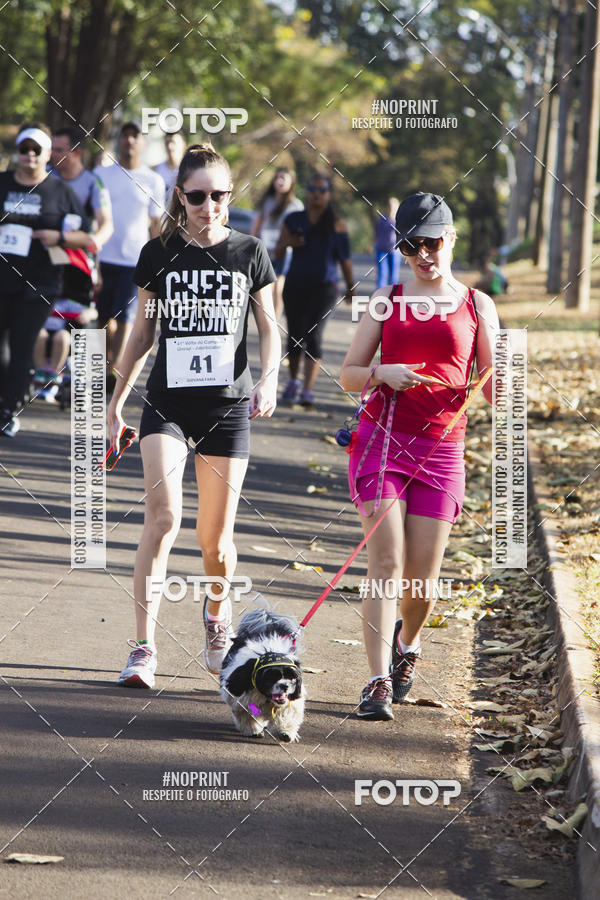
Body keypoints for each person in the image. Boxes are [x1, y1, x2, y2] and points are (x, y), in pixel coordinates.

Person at [107, 143, 280, 689]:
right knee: (162, 521)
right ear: (181, 196)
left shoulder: (249, 252)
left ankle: (215, 618)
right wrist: (115, 404)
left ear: (231, 196)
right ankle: (142, 648)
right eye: (198, 196)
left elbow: (271, 326)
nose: (209, 206)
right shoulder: (158, 254)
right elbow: (142, 333)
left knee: (216, 542)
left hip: (227, 408)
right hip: (168, 404)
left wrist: (270, 378)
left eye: (219, 196)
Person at [340, 191, 499, 721]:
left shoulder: (478, 306)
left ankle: (406, 643)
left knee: (421, 585)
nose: (423, 254)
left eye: (431, 242)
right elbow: (348, 375)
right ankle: (377, 680)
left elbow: (495, 387)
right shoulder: (386, 299)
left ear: (450, 239)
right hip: (382, 444)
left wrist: (511, 369)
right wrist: (381, 374)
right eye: (411, 245)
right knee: (384, 561)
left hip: (442, 451)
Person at [0, 123, 90, 436]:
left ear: (47, 154)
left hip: (39, 284)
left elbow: (85, 235)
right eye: (24, 149)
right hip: (2, 280)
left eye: (35, 150)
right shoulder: (2, 184)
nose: (28, 156)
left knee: (23, 348)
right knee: (2, 351)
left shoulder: (59, 191)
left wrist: (59, 236)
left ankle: (8, 411)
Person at [31, 127, 115, 400]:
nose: (52, 155)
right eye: (51, 148)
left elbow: (106, 224)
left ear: (76, 152)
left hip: (79, 260)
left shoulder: (92, 183)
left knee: (82, 315)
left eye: (58, 149)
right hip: (44, 260)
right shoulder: (46, 175)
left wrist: (93, 245)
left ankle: (78, 382)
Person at [93, 121, 165, 393]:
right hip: (102, 257)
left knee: (124, 317)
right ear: (118, 140)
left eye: (135, 136)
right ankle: (103, 362)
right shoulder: (101, 174)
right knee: (102, 318)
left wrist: (159, 259)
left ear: (143, 142)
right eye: (125, 136)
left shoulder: (153, 180)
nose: (129, 141)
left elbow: (155, 224)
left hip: (134, 260)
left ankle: (114, 369)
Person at [276, 173, 354, 408]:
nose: (316, 194)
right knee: (294, 336)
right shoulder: (293, 219)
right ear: (306, 191)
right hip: (295, 284)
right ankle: (292, 383)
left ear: (329, 194)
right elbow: (278, 251)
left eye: (322, 190)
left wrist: (351, 287)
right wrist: (289, 243)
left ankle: (308, 389)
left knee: (314, 336)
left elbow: (346, 260)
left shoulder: (336, 223)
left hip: (325, 287)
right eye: (312, 189)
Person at [251, 167, 303, 319]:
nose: (279, 181)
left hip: (283, 251)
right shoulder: (267, 201)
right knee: (266, 286)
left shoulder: (296, 205)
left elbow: (300, 233)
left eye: (283, 178)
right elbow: (257, 225)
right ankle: (266, 317)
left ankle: (275, 319)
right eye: (277, 178)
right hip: (265, 250)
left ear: (291, 182)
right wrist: (251, 244)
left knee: (277, 287)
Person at [374, 197, 401, 289]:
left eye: (393, 206)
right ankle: (380, 294)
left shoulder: (399, 220)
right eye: (389, 205)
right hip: (382, 249)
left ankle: (392, 295)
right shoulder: (382, 219)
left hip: (395, 251)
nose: (391, 208)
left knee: (394, 275)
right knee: (382, 273)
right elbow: (376, 233)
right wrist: (370, 245)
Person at [154, 132, 187, 203]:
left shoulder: (190, 170)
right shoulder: (155, 170)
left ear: (183, 144)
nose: (170, 147)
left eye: (173, 142)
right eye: (167, 143)